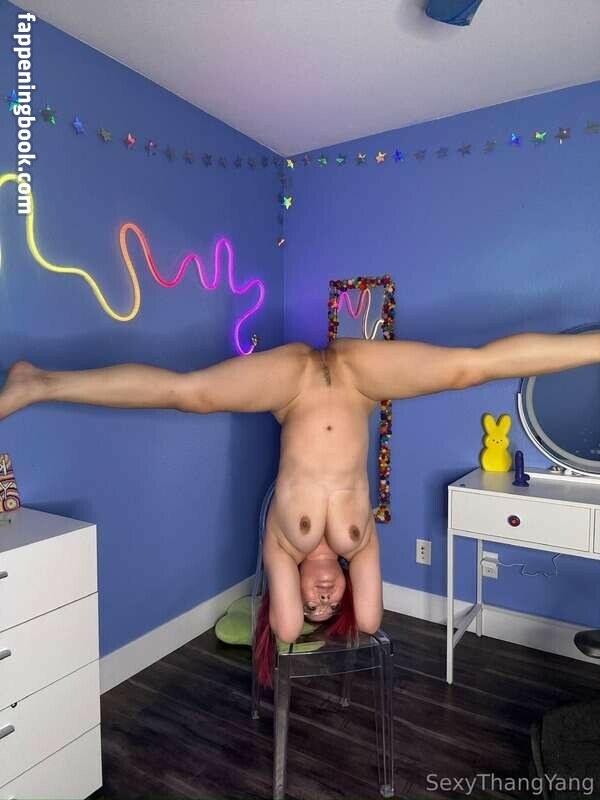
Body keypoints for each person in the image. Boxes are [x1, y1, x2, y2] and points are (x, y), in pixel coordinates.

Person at [2, 331, 598, 679]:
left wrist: (294, 623)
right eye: (329, 605)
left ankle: (40, 383)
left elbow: (284, 627)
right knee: (470, 368)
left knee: (190, 394)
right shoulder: (359, 545)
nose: (322, 599)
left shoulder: (282, 544)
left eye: (312, 604)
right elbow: (370, 621)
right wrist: (348, 614)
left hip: (290, 385)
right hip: (361, 380)